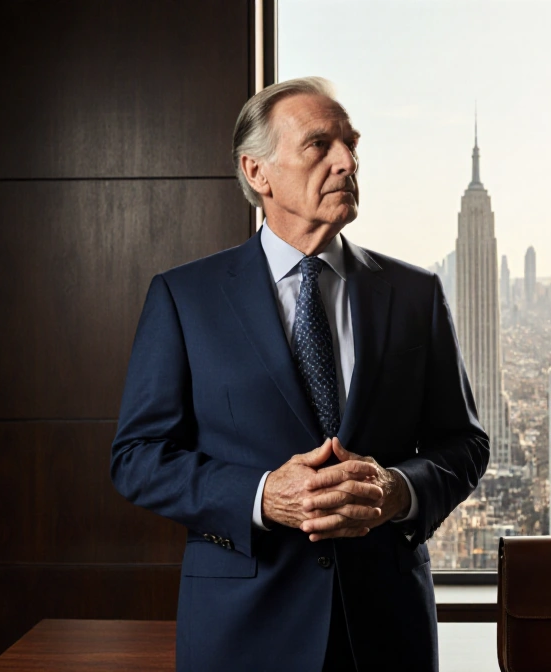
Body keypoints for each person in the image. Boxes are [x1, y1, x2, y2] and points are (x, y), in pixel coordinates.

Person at [110, 76, 489, 672]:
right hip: (242, 629)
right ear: (257, 173)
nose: (347, 161)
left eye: (351, 145)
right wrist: (262, 496)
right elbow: (136, 456)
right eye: (320, 146)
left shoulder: (416, 294)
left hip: (387, 631)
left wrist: (397, 491)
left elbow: (465, 444)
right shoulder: (186, 298)